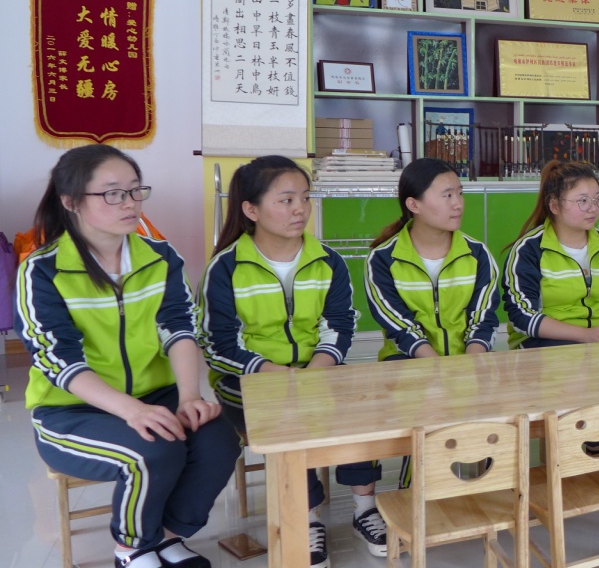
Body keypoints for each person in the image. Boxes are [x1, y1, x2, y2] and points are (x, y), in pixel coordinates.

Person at [18, 145, 238, 568]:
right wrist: (131, 411)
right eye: (113, 193)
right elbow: (58, 359)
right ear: (71, 202)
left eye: (136, 190)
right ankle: (133, 548)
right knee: (152, 449)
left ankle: (167, 538)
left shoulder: (159, 256)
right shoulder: (43, 270)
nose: (130, 203)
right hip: (71, 411)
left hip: (157, 394)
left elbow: (180, 329)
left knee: (218, 441)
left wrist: (190, 396)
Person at [198, 156, 379, 566]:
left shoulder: (328, 260)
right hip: (249, 381)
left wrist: (314, 371)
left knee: (360, 405)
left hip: (317, 371)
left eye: (305, 197)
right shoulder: (225, 268)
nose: (300, 209)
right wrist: (275, 374)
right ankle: (306, 518)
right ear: (251, 209)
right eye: (286, 200)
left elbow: (340, 324)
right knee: (290, 418)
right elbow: (217, 343)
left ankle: (365, 508)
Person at [364, 158, 500, 488]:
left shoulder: (477, 254)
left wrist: (470, 362)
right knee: (428, 399)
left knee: (494, 400)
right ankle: (416, 489)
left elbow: (483, 318)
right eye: (447, 195)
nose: (458, 204)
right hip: (407, 359)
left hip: (469, 356)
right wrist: (439, 368)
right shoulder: (383, 259)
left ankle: (486, 485)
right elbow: (399, 325)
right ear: (414, 205)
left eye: (460, 193)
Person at [503, 160, 599, 349]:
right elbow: (521, 315)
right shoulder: (529, 249)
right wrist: (587, 335)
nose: (593, 208)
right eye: (583, 201)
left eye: (598, 199)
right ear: (554, 205)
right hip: (544, 343)